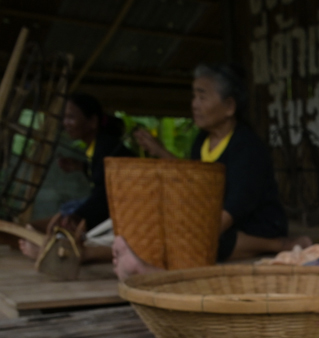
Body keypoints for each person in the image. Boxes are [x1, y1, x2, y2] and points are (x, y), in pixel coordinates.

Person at [117, 63, 307, 279]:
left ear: (229, 107)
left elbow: (238, 204)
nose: (194, 105)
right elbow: (192, 177)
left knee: (204, 245)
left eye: (202, 97)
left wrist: (200, 235)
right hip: (219, 221)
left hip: (254, 223)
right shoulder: (201, 141)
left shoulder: (246, 146)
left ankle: (277, 244)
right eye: (194, 97)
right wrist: (159, 150)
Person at [19, 93, 133, 260]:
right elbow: (103, 177)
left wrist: (79, 216)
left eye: (71, 117)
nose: (66, 123)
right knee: (69, 210)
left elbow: (105, 194)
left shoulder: (106, 148)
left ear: (93, 122)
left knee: (71, 212)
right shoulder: (100, 146)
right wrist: (81, 167)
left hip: (125, 212)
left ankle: (58, 249)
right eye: (64, 118)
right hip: (114, 207)